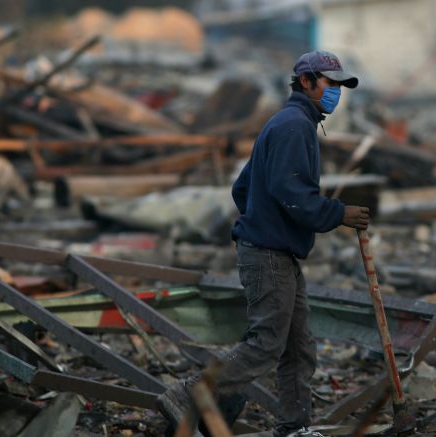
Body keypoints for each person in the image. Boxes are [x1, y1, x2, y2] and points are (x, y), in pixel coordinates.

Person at [156, 50, 370, 437]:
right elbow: (293, 194)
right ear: (306, 82)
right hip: (269, 254)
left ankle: (293, 427)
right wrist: (337, 214)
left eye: (340, 86)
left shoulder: (289, 122)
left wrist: (263, 219)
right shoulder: (294, 126)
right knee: (267, 342)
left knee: (298, 346)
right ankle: (187, 396)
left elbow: (244, 188)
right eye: (330, 84)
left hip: (277, 251)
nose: (336, 92)